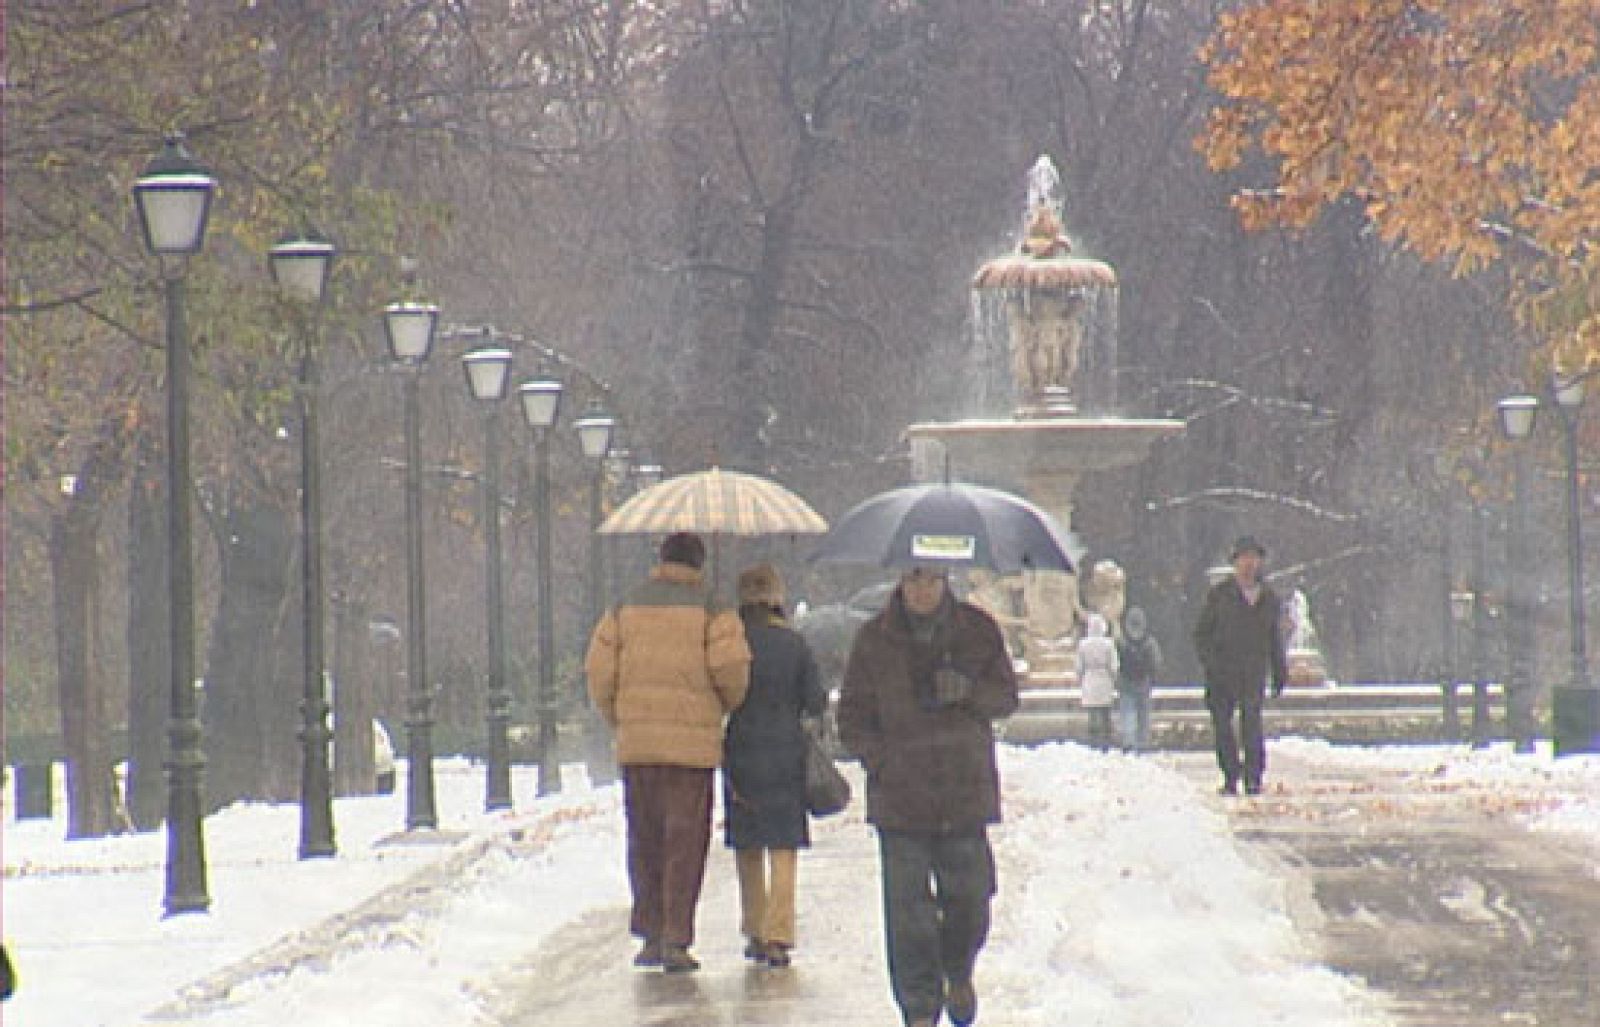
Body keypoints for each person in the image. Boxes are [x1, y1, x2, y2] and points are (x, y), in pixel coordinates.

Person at [838, 566, 1019, 1027]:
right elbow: (852, 717)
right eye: (914, 580)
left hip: (964, 793)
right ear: (900, 582)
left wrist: (969, 692)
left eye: (931, 580)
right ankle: (919, 1008)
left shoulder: (976, 631)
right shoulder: (874, 640)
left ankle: (957, 971)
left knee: (971, 900)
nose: (922, 590)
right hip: (901, 800)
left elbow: (1005, 697)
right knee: (908, 916)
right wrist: (880, 759)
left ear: (945, 581)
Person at [585, 531, 752, 972]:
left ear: (660, 560)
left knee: (644, 839)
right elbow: (733, 672)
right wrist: (718, 708)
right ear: (699, 564)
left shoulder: (624, 606)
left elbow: (599, 672)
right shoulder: (713, 608)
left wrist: (622, 717)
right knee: (684, 843)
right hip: (691, 753)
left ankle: (650, 933)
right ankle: (676, 936)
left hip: (638, 748)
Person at [722, 564, 829, 969]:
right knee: (783, 844)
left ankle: (754, 926)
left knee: (748, 841)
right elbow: (815, 700)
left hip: (741, 749)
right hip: (785, 751)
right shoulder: (794, 644)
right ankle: (779, 933)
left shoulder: (731, 643)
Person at [1193, 536, 1288, 796]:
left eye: (1253, 558)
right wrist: (1211, 662)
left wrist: (1279, 670)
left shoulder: (1269, 598)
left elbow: (1274, 638)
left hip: (1253, 671)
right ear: (1235, 562)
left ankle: (1253, 777)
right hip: (1222, 673)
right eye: (1244, 558)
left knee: (1252, 725)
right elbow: (1201, 634)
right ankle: (1230, 775)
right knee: (1223, 727)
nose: (1249, 564)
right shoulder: (1219, 595)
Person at [1117, 606, 1163, 752]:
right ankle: (1143, 741)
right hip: (1143, 681)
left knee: (1127, 712)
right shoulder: (1149, 642)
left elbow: (1115, 662)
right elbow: (1156, 661)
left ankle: (1128, 741)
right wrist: (1154, 676)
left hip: (1126, 681)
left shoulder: (1121, 641)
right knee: (1143, 713)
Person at [1075, 613, 1118, 751]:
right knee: (1105, 711)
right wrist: (1114, 678)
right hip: (1104, 679)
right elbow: (1113, 665)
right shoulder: (1108, 644)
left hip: (1089, 679)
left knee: (1092, 712)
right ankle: (1107, 739)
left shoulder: (1083, 644)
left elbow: (1079, 666)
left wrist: (1080, 678)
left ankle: (1093, 740)